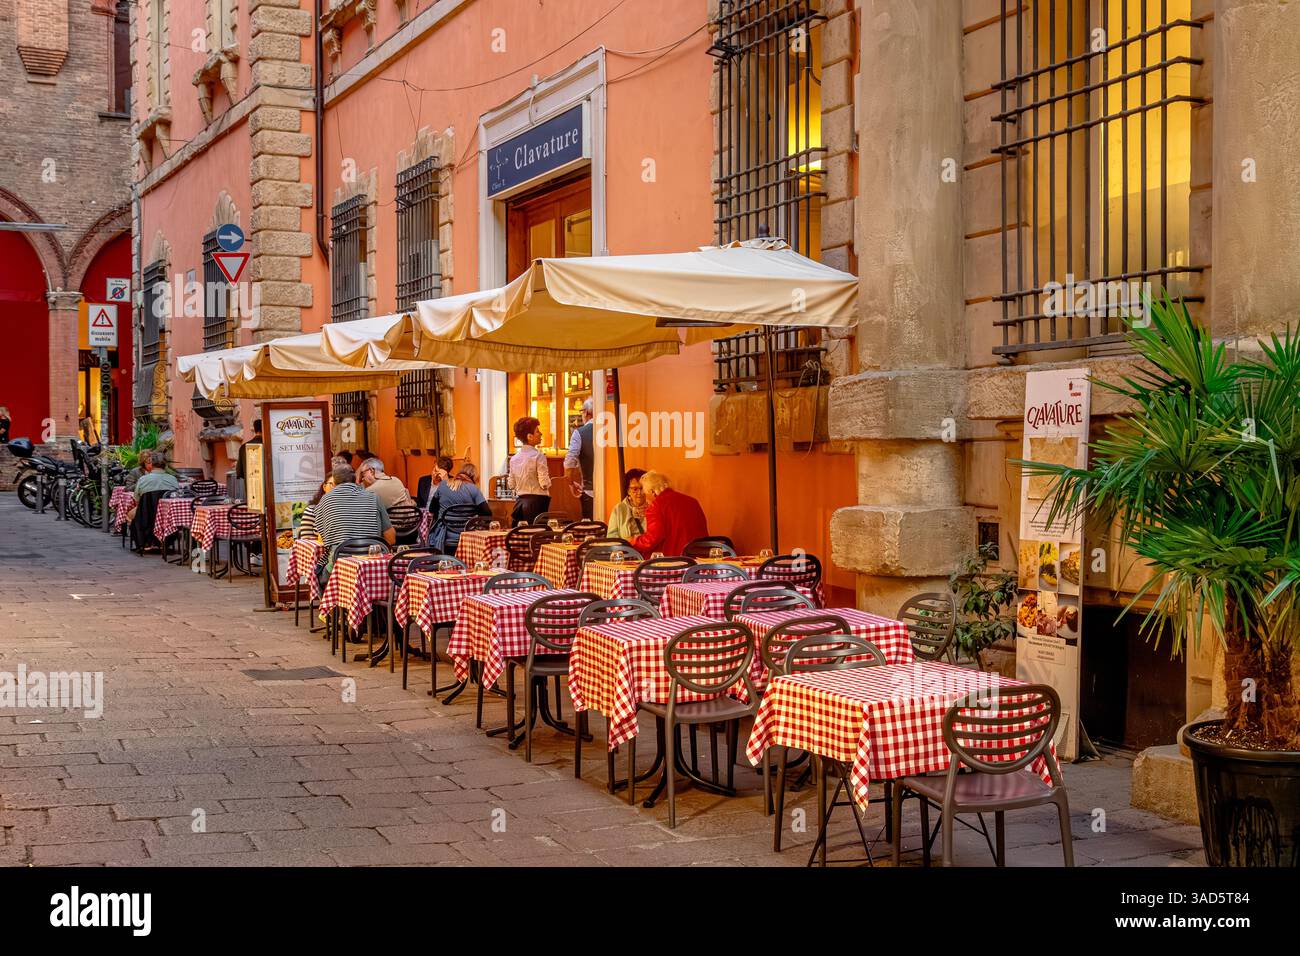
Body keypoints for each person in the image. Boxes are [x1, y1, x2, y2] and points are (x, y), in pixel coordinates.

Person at [313, 463, 395, 591]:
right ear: (356, 479)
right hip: (372, 568)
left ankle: (334, 608)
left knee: (318, 574)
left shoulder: (325, 500)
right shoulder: (374, 498)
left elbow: (324, 540)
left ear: (334, 482)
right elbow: (391, 539)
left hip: (339, 569)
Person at [630, 471, 708, 557]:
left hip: (673, 561)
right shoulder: (693, 501)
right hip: (699, 558)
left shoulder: (656, 506)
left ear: (652, 492)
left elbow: (651, 540)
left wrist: (632, 541)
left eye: (645, 493)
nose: (645, 498)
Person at [428, 461, 492, 553]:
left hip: (445, 537)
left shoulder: (443, 485)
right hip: (467, 537)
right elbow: (487, 513)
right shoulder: (474, 489)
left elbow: (432, 509)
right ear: (474, 477)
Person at [508, 416, 551, 525]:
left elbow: (511, 484)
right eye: (538, 431)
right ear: (529, 436)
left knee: (521, 537)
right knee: (537, 537)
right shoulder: (538, 456)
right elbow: (544, 483)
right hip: (537, 504)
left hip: (519, 504)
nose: (541, 434)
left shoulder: (514, 459)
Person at [125, 451, 179, 526]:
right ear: (165, 465)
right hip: (167, 514)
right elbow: (176, 496)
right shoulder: (173, 479)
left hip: (146, 514)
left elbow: (137, 500)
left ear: (152, 464)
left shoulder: (142, 480)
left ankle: (139, 535)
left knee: (129, 515)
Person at [563, 397, 596, 520]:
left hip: (590, 492)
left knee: (591, 530)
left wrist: (571, 482)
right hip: (615, 490)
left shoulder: (579, 433)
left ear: (586, 413)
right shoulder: (612, 430)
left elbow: (570, 461)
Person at [607, 467, 647, 541]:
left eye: (642, 488)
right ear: (628, 491)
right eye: (635, 489)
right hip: (626, 551)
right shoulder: (619, 509)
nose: (639, 493)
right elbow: (611, 537)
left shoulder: (653, 508)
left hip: (648, 551)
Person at [296, 475, 337, 540]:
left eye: (339, 485)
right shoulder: (311, 510)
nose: (335, 488)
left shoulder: (348, 510)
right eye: (332, 484)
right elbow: (307, 543)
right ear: (324, 487)